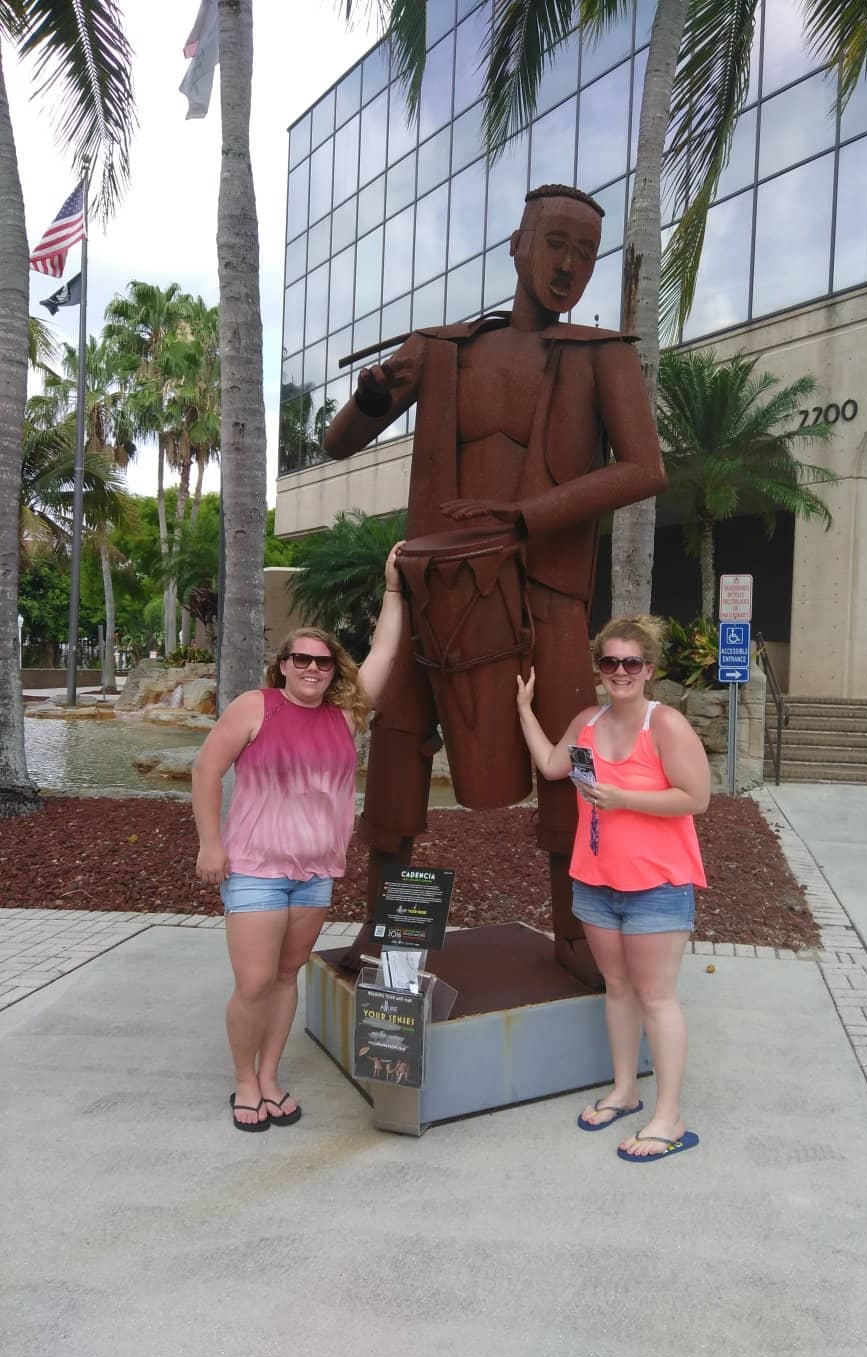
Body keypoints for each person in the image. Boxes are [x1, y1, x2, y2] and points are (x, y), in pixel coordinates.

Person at [323, 184, 667, 988]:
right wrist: (371, 398)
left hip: (542, 588)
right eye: (556, 243)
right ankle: (386, 934)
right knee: (400, 744)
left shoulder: (598, 353)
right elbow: (341, 443)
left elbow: (646, 466)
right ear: (517, 245)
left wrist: (527, 516)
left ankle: (575, 935)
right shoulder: (444, 347)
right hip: (435, 580)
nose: (570, 265)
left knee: (568, 761)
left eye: (585, 253)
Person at [191, 545, 405, 1132]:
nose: (313, 669)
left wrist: (394, 589)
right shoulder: (254, 708)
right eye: (302, 660)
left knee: (287, 978)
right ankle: (243, 1081)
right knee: (255, 981)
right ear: (282, 664)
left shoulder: (346, 717)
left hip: (315, 873)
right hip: (257, 869)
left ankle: (269, 1075)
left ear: (335, 671)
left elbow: (383, 652)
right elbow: (206, 770)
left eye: (324, 663)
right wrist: (211, 843)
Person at [516, 615, 710, 1162]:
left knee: (657, 997)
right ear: (599, 668)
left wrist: (624, 798)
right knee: (618, 989)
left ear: (648, 669)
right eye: (609, 662)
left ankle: (668, 1116)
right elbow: (554, 766)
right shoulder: (588, 720)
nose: (619, 672)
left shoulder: (665, 724)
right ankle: (625, 1091)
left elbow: (696, 798)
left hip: (657, 884)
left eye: (631, 663)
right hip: (596, 881)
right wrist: (523, 710)